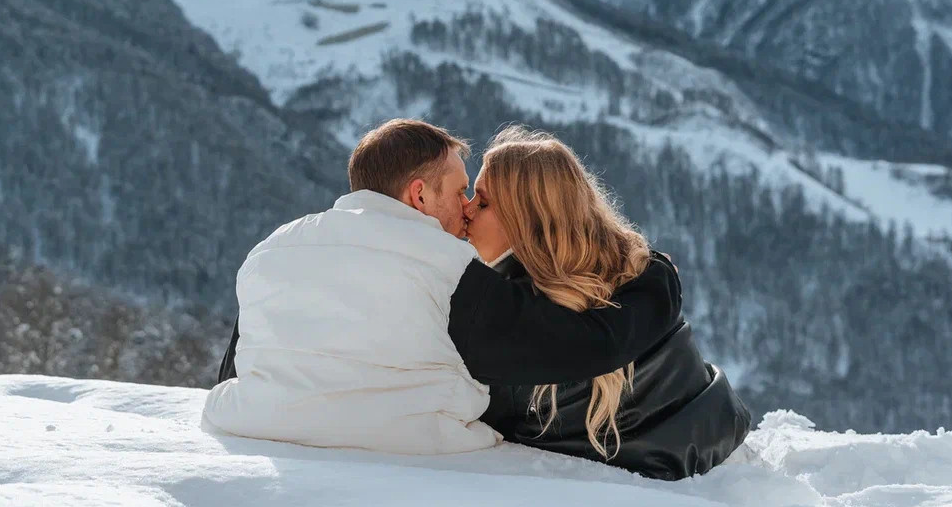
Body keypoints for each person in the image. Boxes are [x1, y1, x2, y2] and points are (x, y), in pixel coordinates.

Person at [205, 119, 681, 455]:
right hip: (419, 466)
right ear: (419, 194)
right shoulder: (444, 268)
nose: (466, 207)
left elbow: (237, 369)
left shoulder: (273, 250)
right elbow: (589, 346)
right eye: (459, 191)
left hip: (255, 441)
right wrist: (657, 277)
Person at [466, 126, 751, 479]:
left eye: (482, 202)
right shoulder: (638, 272)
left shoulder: (511, 322)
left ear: (526, 219)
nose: (467, 210)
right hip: (722, 442)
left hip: (656, 488)